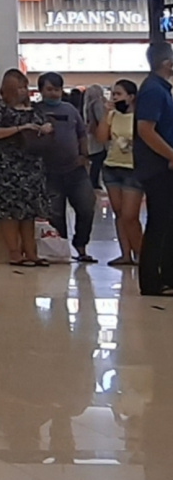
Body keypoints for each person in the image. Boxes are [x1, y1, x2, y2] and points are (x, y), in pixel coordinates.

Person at [0, 68, 53, 267]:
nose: (23, 91)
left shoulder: (34, 109)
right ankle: (14, 252)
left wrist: (45, 128)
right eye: (19, 87)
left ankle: (31, 252)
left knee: (29, 212)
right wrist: (21, 128)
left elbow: (45, 124)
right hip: (7, 167)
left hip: (31, 165)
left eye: (24, 86)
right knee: (10, 212)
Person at [35, 71, 97, 264]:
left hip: (75, 170)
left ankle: (81, 247)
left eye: (57, 89)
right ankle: (60, 251)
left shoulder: (70, 110)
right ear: (41, 90)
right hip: (48, 172)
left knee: (86, 207)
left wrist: (84, 156)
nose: (53, 93)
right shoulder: (34, 110)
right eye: (49, 89)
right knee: (55, 213)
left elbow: (81, 134)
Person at [134, 44, 173, 295]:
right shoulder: (153, 91)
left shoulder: (161, 90)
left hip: (161, 166)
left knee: (167, 223)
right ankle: (152, 280)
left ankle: (166, 276)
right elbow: (145, 129)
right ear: (166, 63)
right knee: (160, 223)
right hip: (158, 168)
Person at [99, 79, 144, 267]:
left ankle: (142, 255)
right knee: (119, 213)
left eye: (118, 94)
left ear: (131, 97)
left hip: (133, 168)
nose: (114, 98)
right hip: (112, 167)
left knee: (130, 215)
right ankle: (125, 254)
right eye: (113, 94)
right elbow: (101, 137)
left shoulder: (140, 117)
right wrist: (106, 114)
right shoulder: (113, 115)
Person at [84, 83, 110, 200]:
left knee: (95, 159)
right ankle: (95, 183)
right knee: (99, 159)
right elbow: (101, 119)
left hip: (90, 134)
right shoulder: (98, 103)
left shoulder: (87, 105)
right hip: (98, 135)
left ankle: (93, 183)